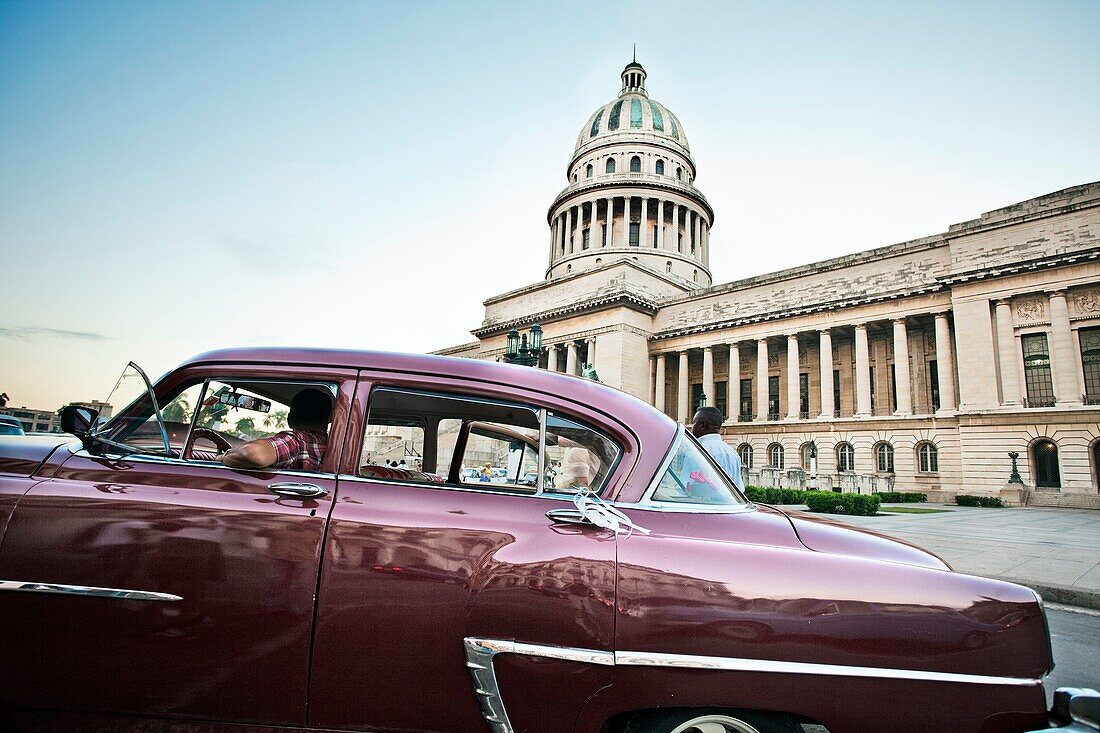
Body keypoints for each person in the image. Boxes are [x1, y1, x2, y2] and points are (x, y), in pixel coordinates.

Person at [192, 387, 333, 471]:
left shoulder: (296, 441)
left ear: (289, 419)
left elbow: (253, 453)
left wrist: (223, 457)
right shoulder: (332, 445)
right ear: (328, 419)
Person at [691, 406, 744, 491]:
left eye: (694, 422)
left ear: (703, 425)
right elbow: (740, 489)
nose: (692, 427)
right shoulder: (733, 453)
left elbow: (686, 487)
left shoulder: (695, 451)